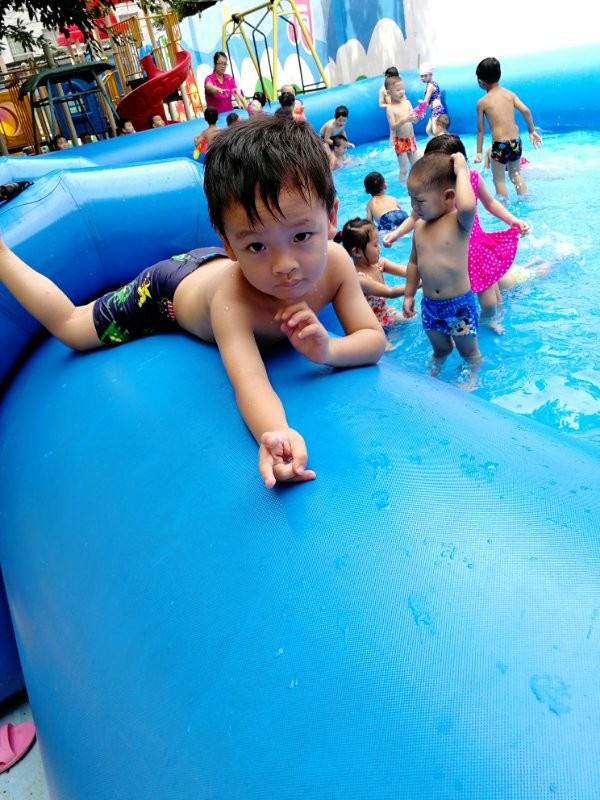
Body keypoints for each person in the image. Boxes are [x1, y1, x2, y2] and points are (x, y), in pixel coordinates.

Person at [0, 115, 386, 489]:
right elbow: (250, 382)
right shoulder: (233, 302)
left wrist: (327, 349)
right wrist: (276, 433)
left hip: (217, 264)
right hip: (168, 289)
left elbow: (372, 339)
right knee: (73, 328)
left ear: (331, 218)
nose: (284, 265)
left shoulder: (336, 264)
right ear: (229, 243)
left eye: (301, 236)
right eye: (257, 245)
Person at [384, 134, 530, 334]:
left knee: (489, 301)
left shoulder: (472, 179)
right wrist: (396, 234)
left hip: (475, 249)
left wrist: (512, 220)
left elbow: (490, 203)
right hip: (451, 254)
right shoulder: (431, 192)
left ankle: (489, 320)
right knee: (457, 295)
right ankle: (459, 323)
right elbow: (414, 217)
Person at [401, 151, 481, 376]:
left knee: (468, 352)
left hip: (458, 304)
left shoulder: (458, 222)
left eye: (420, 201)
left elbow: (468, 206)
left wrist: (461, 171)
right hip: (430, 305)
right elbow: (413, 263)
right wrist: (408, 294)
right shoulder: (419, 227)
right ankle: (437, 365)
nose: (414, 206)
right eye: (411, 199)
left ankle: (473, 374)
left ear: (448, 196)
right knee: (441, 348)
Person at [474, 57, 542, 199]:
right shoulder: (510, 95)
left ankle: (503, 206)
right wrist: (531, 131)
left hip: (500, 144)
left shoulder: (482, 102)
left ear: (480, 81)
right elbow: (526, 111)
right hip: (515, 142)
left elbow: (480, 130)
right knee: (515, 175)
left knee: (498, 180)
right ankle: (525, 199)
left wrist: (479, 152)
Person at [335, 218, 407, 328]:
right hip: (371, 326)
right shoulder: (358, 279)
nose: (379, 247)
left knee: (413, 318)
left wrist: (425, 273)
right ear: (357, 252)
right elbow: (390, 292)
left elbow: (408, 271)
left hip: (385, 314)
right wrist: (419, 283)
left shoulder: (379, 264)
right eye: (375, 245)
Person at [385, 76, 419, 182]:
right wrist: (405, 120)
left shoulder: (407, 103)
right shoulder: (390, 108)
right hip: (400, 141)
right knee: (404, 169)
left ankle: (416, 185)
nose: (401, 92)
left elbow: (414, 120)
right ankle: (403, 187)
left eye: (402, 89)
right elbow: (393, 126)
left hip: (411, 139)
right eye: (398, 90)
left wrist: (417, 116)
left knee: (416, 166)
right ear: (389, 92)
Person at [418, 62, 448, 137]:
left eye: (425, 76)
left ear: (431, 75)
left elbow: (426, 101)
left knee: (436, 130)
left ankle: (448, 140)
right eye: (421, 76)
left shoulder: (431, 85)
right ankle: (436, 143)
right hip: (434, 110)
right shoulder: (429, 84)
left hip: (437, 109)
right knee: (428, 130)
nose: (423, 78)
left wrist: (419, 110)